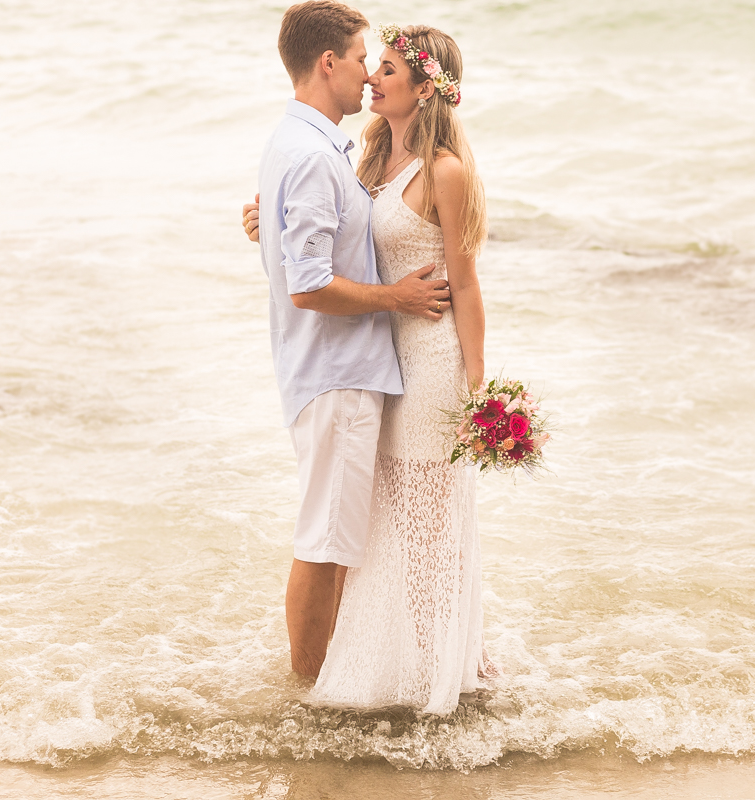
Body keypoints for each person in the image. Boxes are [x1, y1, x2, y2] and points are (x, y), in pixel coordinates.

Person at [245, 19, 494, 714]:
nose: (373, 76)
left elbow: (467, 283)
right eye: (370, 63)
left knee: (424, 522)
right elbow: (334, 237)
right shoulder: (363, 158)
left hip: (429, 360)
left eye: (387, 67)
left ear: (425, 87)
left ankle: (441, 664)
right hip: (377, 359)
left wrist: (480, 383)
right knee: (380, 523)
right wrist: (269, 220)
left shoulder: (445, 170)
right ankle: (390, 665)